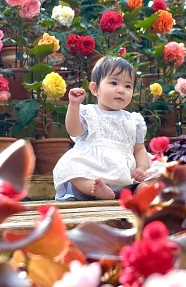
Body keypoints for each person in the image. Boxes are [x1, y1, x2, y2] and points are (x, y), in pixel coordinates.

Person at [53, 56, 149, 200]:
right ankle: (95, 189)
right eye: (114, 83)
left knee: (156, 172)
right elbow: (73, 131)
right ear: (95, 89)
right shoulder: (89, 113)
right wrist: (74, 106)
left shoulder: (134, 120)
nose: (121, 90)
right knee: (70, 167)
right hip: (93, 171)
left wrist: (141, 168)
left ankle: (139, 189)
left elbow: (139, 149)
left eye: (128, 86)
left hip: (124, 176)